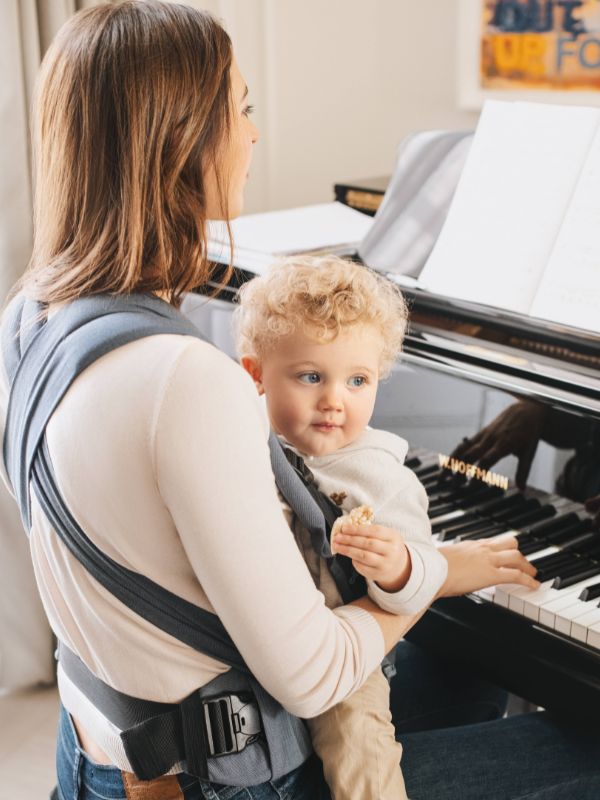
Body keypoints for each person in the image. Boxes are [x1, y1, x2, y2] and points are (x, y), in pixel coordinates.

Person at [1, 2, 599, 798]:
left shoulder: (31, 314)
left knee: (465, 669)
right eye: (241, 109)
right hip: (223, 778)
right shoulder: (182, 378)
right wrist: (430, 572)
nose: (253, 135)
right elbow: (316, 677)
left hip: (107, 746)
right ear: (179, 140)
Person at [233, 254, 451, 799]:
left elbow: (425, 573)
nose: (335, 400)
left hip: (339, 652)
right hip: (258, 640)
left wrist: (398, 567)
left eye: (358, 380)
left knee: (359, 741)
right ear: (255, 375)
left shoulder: (383, 476)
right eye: (311, 377)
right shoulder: (242, 441)